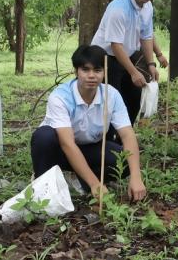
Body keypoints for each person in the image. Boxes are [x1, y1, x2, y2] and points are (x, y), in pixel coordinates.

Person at [31, 45, 147, 202]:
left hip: (90, 147)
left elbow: (127, 135)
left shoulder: (111, 95)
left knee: (125, 160)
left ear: (104, 72)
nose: (91, 76)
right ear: (76, 71)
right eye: (85, 70)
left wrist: (136, 176)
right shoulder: (60, 97)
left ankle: (75, 180)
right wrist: (95, 184)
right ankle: (43, 184)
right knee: (43, 136)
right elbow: (67, 144)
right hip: (60, 150)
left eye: (97, 70)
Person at [91, 0, 168, 122]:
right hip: (106, 58)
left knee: (134, 98)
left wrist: (151, 63)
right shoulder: (118, 9)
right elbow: (115, 45)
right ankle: (108, 139)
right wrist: (133, 72)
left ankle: (124, 138)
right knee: (112, 100)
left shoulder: (147, 7)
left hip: (128, 54)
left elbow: (146, 37)